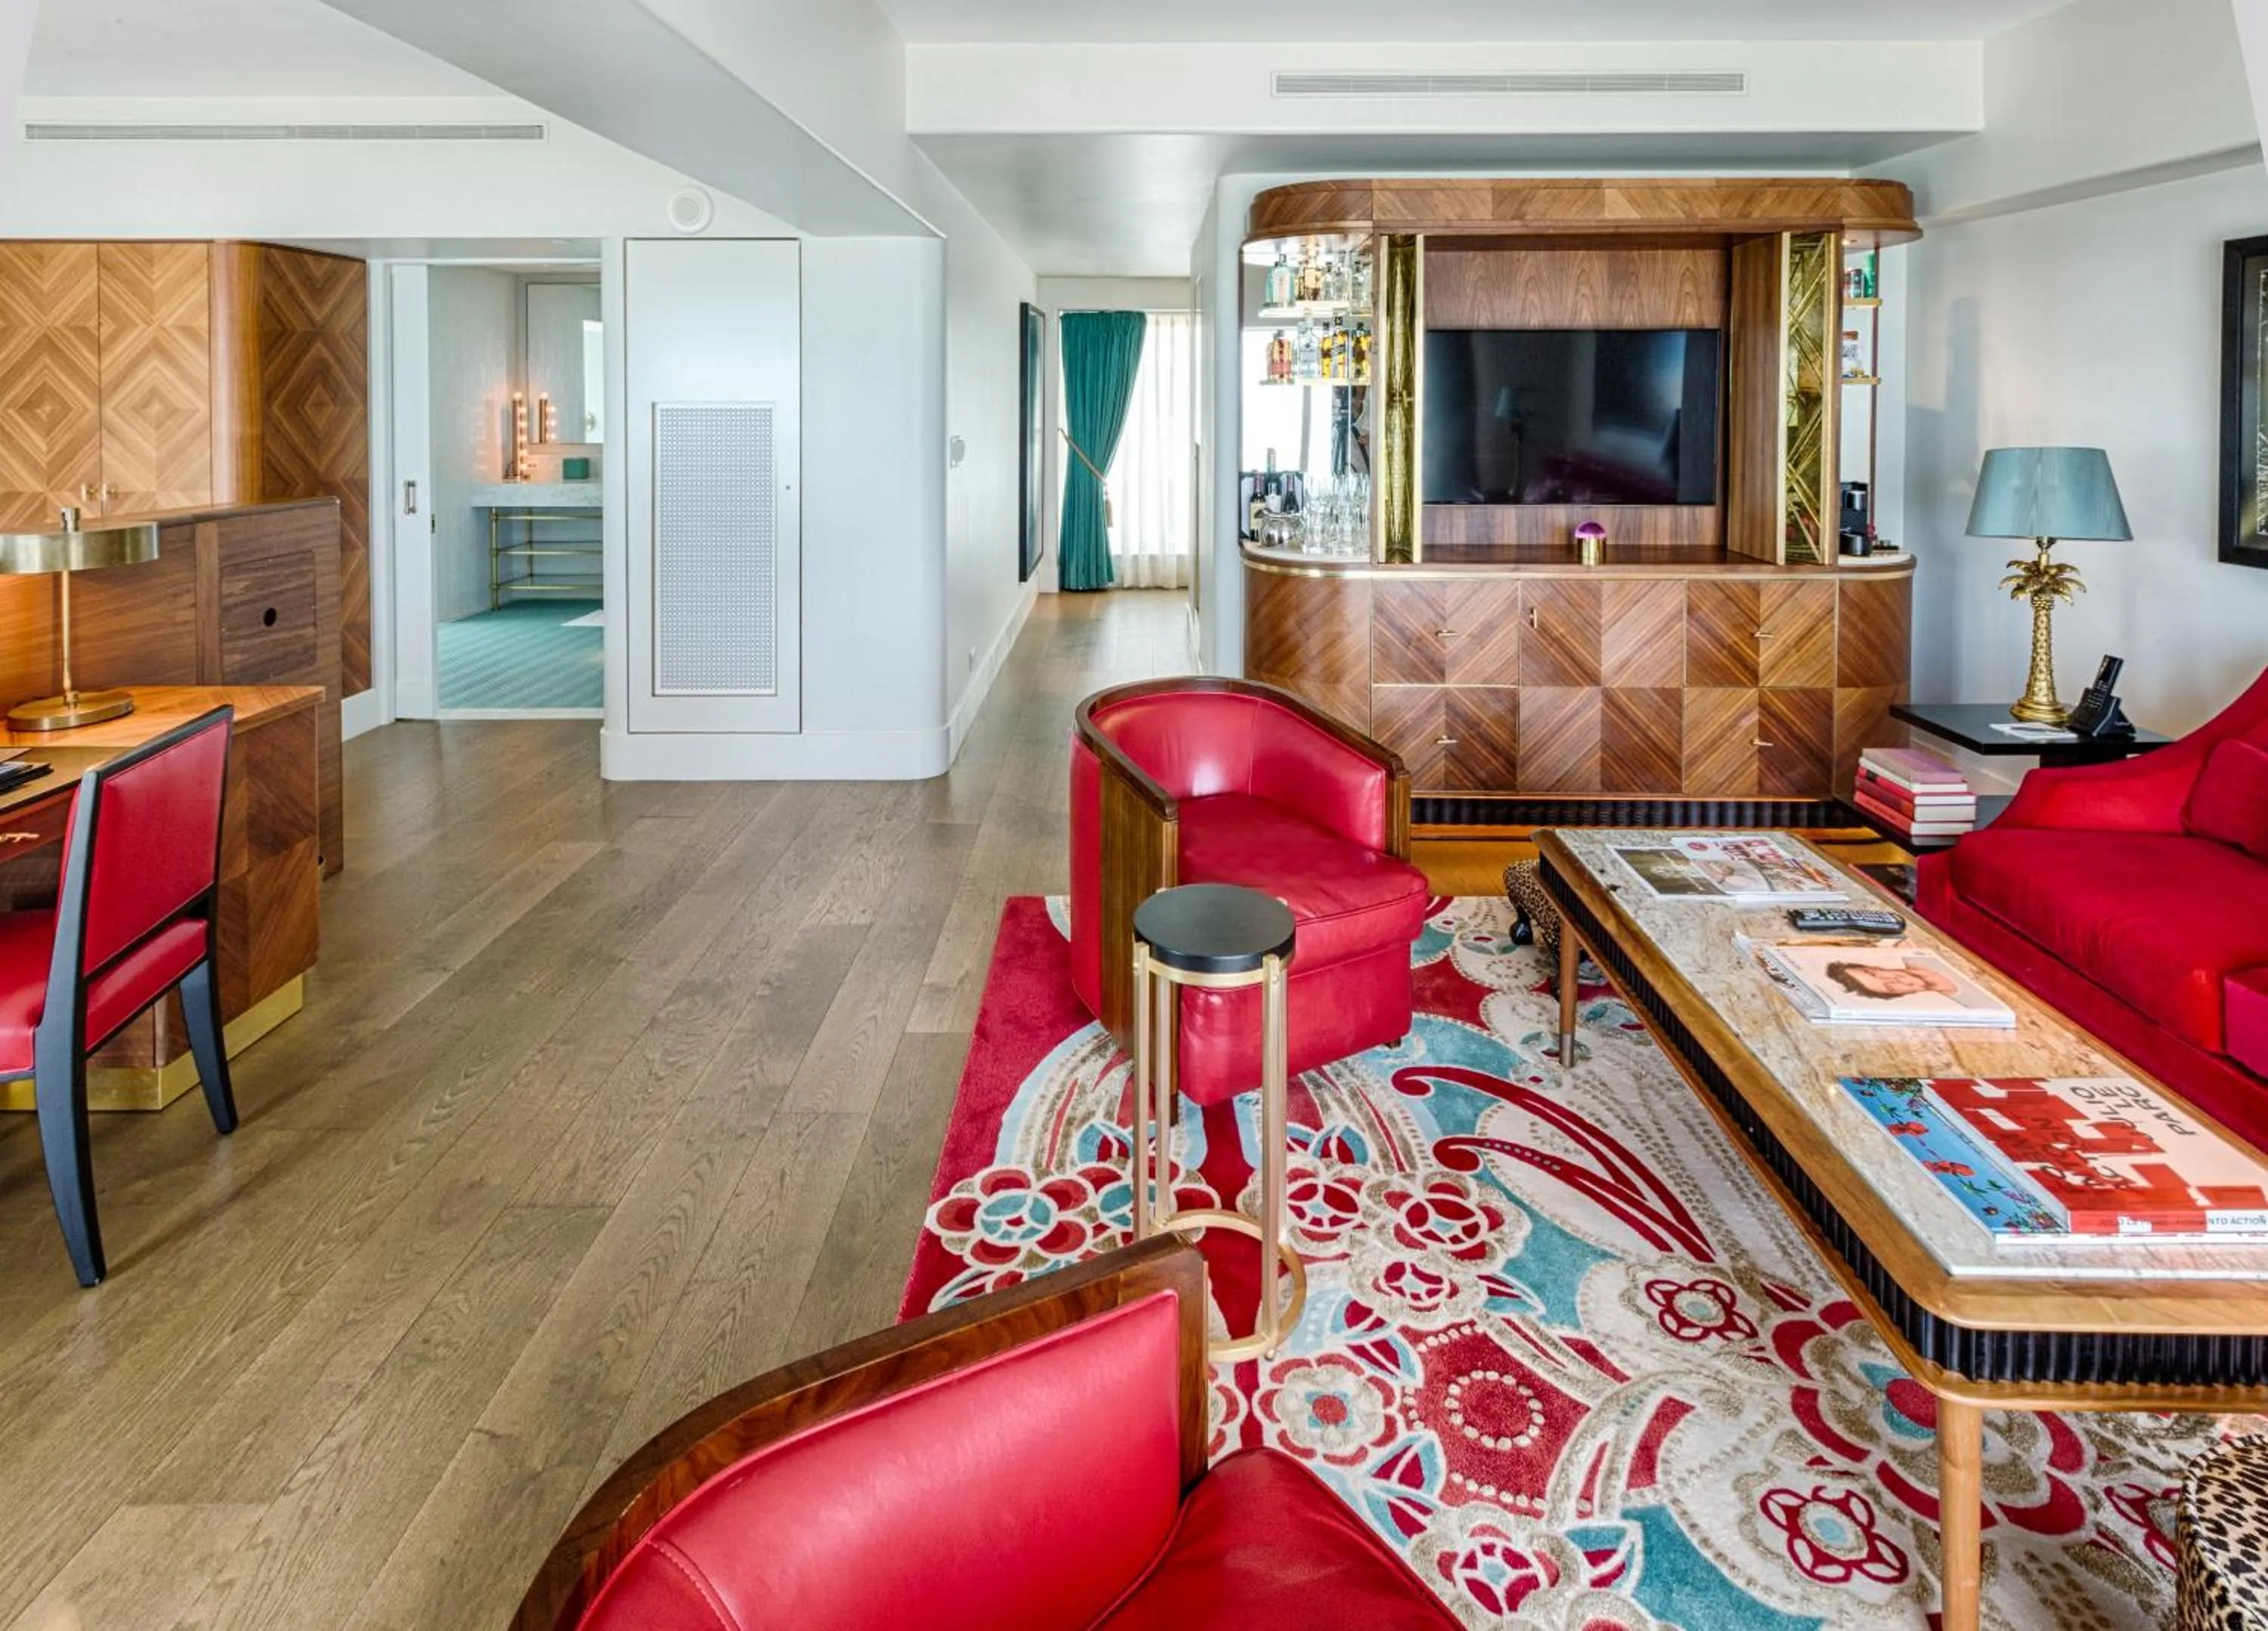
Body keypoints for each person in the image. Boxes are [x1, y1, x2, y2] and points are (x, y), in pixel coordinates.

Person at [1823, 956, 1960, 1000]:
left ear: (1876, 967)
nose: (1896, 980)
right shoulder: (1949, 996)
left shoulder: (1911, 953)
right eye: (1890, 987)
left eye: (1874, 975)